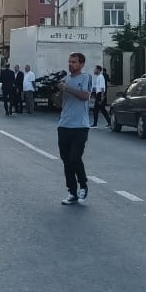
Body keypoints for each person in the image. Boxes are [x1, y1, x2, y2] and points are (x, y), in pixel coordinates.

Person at [56, 52, 94, 205]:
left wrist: (67, 88)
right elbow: (59, 103)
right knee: (66, 160)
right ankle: (72, 192)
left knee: (75, 157)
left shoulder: (86, 77)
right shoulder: (65, 79)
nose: (70, 64)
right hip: (64, 125)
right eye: (69, 61)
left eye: (74, 62)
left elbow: (85, 96)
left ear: (81, 64)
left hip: (80, 126)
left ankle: (83, 184)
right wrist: (60, 91)